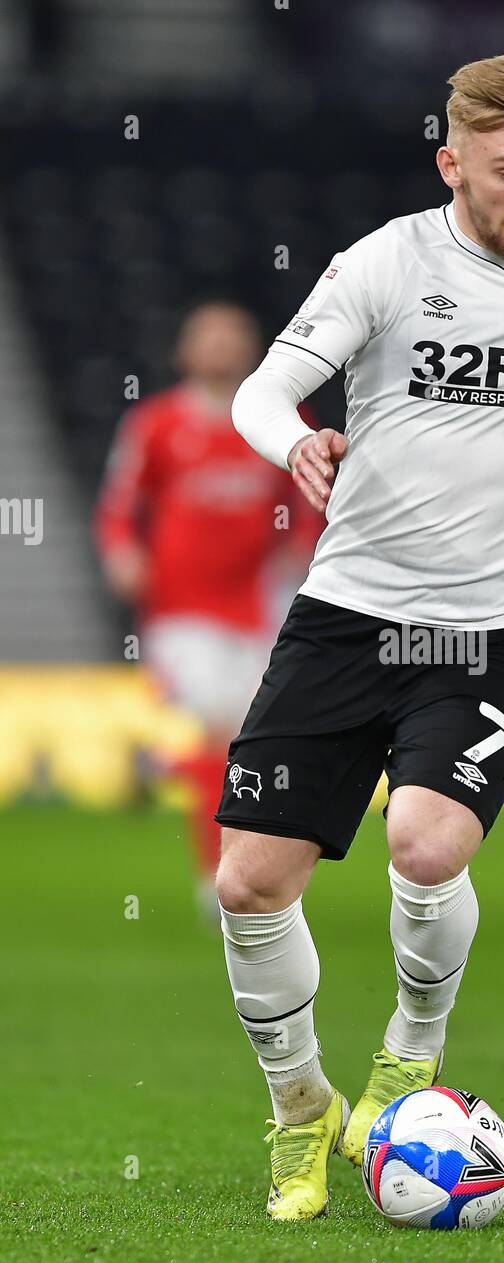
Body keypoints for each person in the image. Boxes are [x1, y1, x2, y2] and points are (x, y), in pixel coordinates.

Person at [216, 50, 504, 1221]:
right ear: (453, 163)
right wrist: (297, 445)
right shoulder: (386, 262)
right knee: (247, 881)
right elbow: (260, 392)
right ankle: (298, 1109)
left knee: (426, 847)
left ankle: (410, 1053)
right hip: (346, 614)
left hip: (491, 629)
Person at [94, 302, 323, 918]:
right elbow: (119, 504)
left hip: (258, 606)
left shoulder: (279, 419)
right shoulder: (156, 424)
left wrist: (302, 545)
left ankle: (160, 766)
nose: (220, 347)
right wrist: (121, 553)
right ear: (185, 350)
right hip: (181, 608)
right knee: (228, 737)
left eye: (232, 337)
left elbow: (312, 492)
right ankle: (218, 878)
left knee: (252, 743)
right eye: (209, 337)